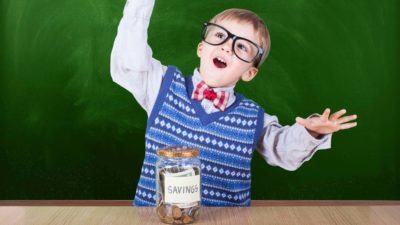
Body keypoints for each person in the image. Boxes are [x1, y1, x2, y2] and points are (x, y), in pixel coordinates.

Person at [110, 0, 358, 206]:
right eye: (219, 35)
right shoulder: (160, 86)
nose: (227, 46)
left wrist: (312, 131)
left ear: (249, 73)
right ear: (201, 47)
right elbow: (128, 60)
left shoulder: (253, 118)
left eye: (242, 46)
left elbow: (284, 150)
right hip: (153, 220)